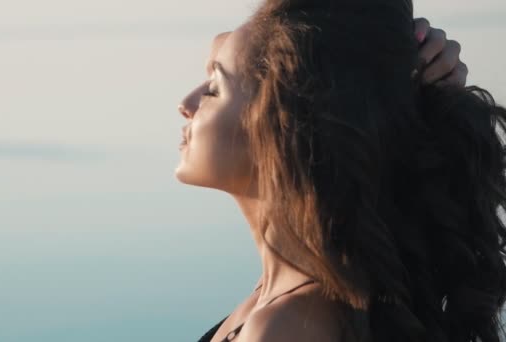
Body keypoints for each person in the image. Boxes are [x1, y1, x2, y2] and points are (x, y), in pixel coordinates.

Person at [175, 0, 506, 341]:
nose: (186, 105)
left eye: (212, 88)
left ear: (285, 126)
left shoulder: (286, 327)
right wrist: (387, 44)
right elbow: (254, 50)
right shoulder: (291, 292)